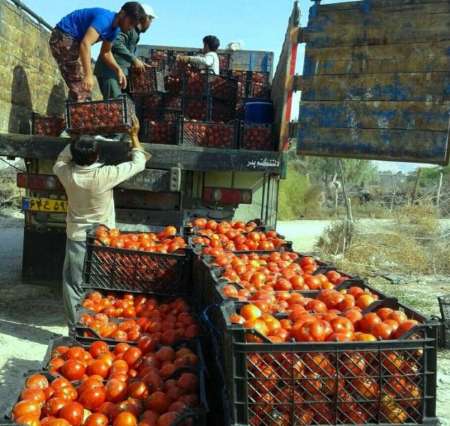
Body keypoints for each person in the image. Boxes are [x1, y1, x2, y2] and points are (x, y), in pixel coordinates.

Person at [53, 117, 150, 324]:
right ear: (97, 155)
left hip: (77, 237)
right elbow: (139, 162)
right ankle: (99, 325)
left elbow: (62, 158)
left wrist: (77, 139)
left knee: (73, 284)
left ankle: (75, 327)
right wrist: (133, 135)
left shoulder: (65, 174)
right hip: (103, 239)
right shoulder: (105, 175)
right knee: (102, 283)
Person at [50, 2, 147, 101]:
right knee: (82, 87)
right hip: (63, 37)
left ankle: (72, 111)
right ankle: (78, 110)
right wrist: (88, 75)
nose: (130, 27)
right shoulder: (105, 20)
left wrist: (118, 70)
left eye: (133, 25)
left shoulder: (115, 30)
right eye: (130, 23)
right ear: (122, 13)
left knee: (81, 87)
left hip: (74, 42)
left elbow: (106, 53)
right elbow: (85, 44)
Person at [95, 4, 157, 99]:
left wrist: (139, 63)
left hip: (118, 75)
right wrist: (134, 60)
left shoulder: (134, 32)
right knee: (115, 105)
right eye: (151, 20)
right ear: (145, 18)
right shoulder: (128, 28)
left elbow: (125, 52)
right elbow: (116, 43)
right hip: (110, 73)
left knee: (121, 106)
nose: (150, 24)